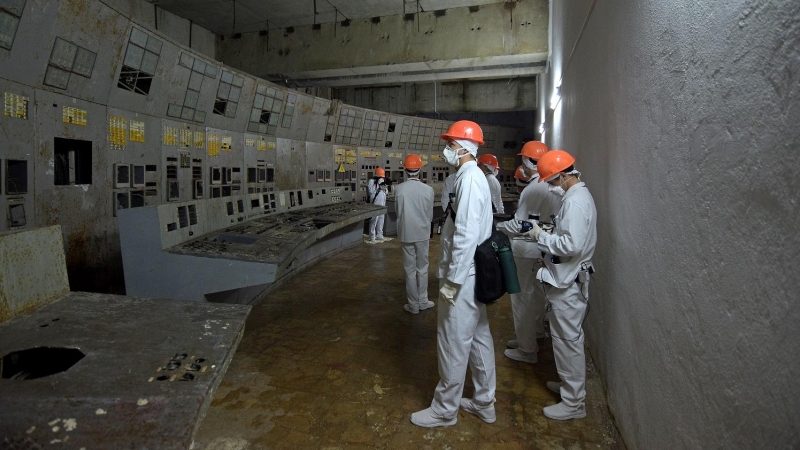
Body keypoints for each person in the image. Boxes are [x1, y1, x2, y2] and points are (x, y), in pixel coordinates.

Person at [411, 120, 496, 427]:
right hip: (470, 274)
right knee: (478, 337)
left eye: (450, 144)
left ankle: (445, 409)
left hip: (464, 276)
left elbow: (465, 235)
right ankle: (485, 402)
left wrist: (453, 281)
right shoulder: (470, 176)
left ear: (462, 147)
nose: (446, 149)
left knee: (452, 341)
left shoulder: (470, 179)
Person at [523, 149, 597, 421]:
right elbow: (569, 235)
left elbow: (571, 245)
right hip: (566, 279)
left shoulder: (576, 202)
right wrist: (551, 233)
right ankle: (570, 388)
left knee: (568, 340)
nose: (552, 188)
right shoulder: (575, 198)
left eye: (553, 182)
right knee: (566, 339)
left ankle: (574, 402)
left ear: (564, 176)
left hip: (569, 282)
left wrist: (541, 236)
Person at [496, 142, 561, 364]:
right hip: (544, 248)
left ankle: (526, 349)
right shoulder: (553, 186)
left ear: (526, 161)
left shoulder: (534, 188)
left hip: (525, 249)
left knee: (521, 297)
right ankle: (534, 333)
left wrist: (497, 227)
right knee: (537, 295)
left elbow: (519, 224)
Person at [395, 154, 435, 314]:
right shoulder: (428, 190)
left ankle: (413, 305)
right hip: (423, 233)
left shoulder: (399, 189)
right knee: (423, 268)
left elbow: (399, 212)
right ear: (420, 169)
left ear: (405, 170)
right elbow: (430, 214)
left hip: (406, 233)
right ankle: (423, 301)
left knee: (409, 269)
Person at [366, 167, 388, 244]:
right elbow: (371, 191)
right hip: (375, 203)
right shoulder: (371, 181)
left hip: (382, 202)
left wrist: (383, 186)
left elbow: (386, 192)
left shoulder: (382, 181)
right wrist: (378, 184)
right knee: (374, 219)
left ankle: (379, 234)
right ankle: (372, 236)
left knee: (381, 219)